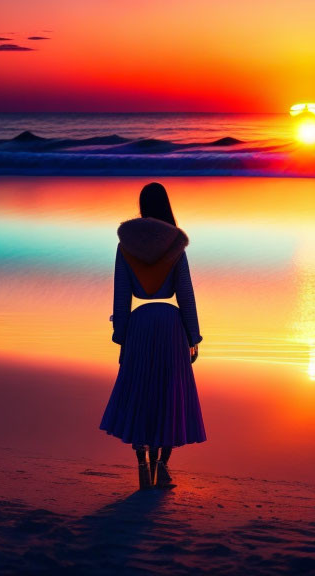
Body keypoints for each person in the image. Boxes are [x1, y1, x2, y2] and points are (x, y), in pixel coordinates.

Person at [99, 182, 207, 490]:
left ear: (142, 207)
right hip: (171, 325)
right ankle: (162, 466)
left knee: (141, 395)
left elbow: (121, 297)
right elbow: (185, 295)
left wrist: (121, 336)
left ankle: (143, 468)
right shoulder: (176, 245)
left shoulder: (126, 246)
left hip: (140, 325)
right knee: (168, 395)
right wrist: (193, 336)